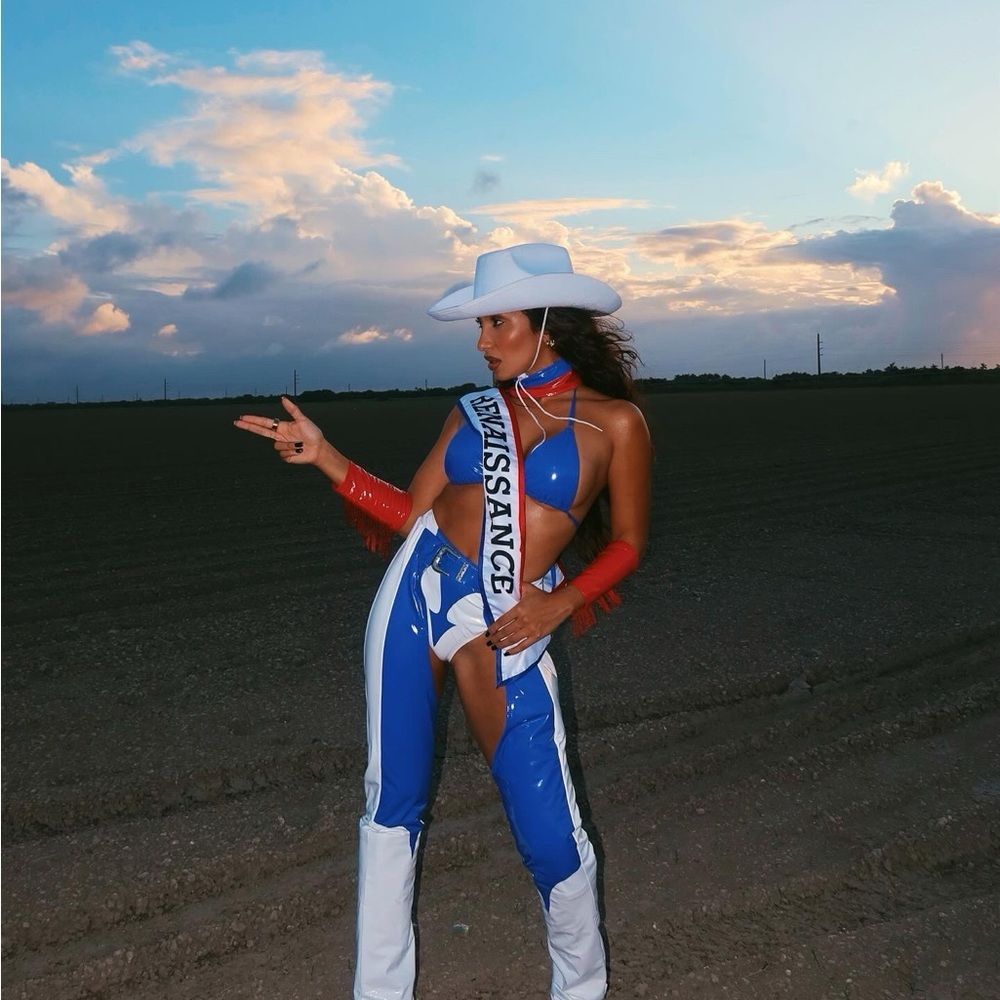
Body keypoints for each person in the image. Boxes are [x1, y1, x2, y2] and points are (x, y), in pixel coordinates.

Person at [234, 243, 652, 1000]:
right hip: (418, 590)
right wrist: (327, 458)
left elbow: (627, 543)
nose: (482, 341)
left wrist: (562, 601)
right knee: (391, 801)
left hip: (507, 616)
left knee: (549, 827)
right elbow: (407, 513)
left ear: (546, 324)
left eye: (496, 323)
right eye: (481, 326)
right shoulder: (470, 413)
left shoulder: (616, 424)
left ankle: (581, 988)